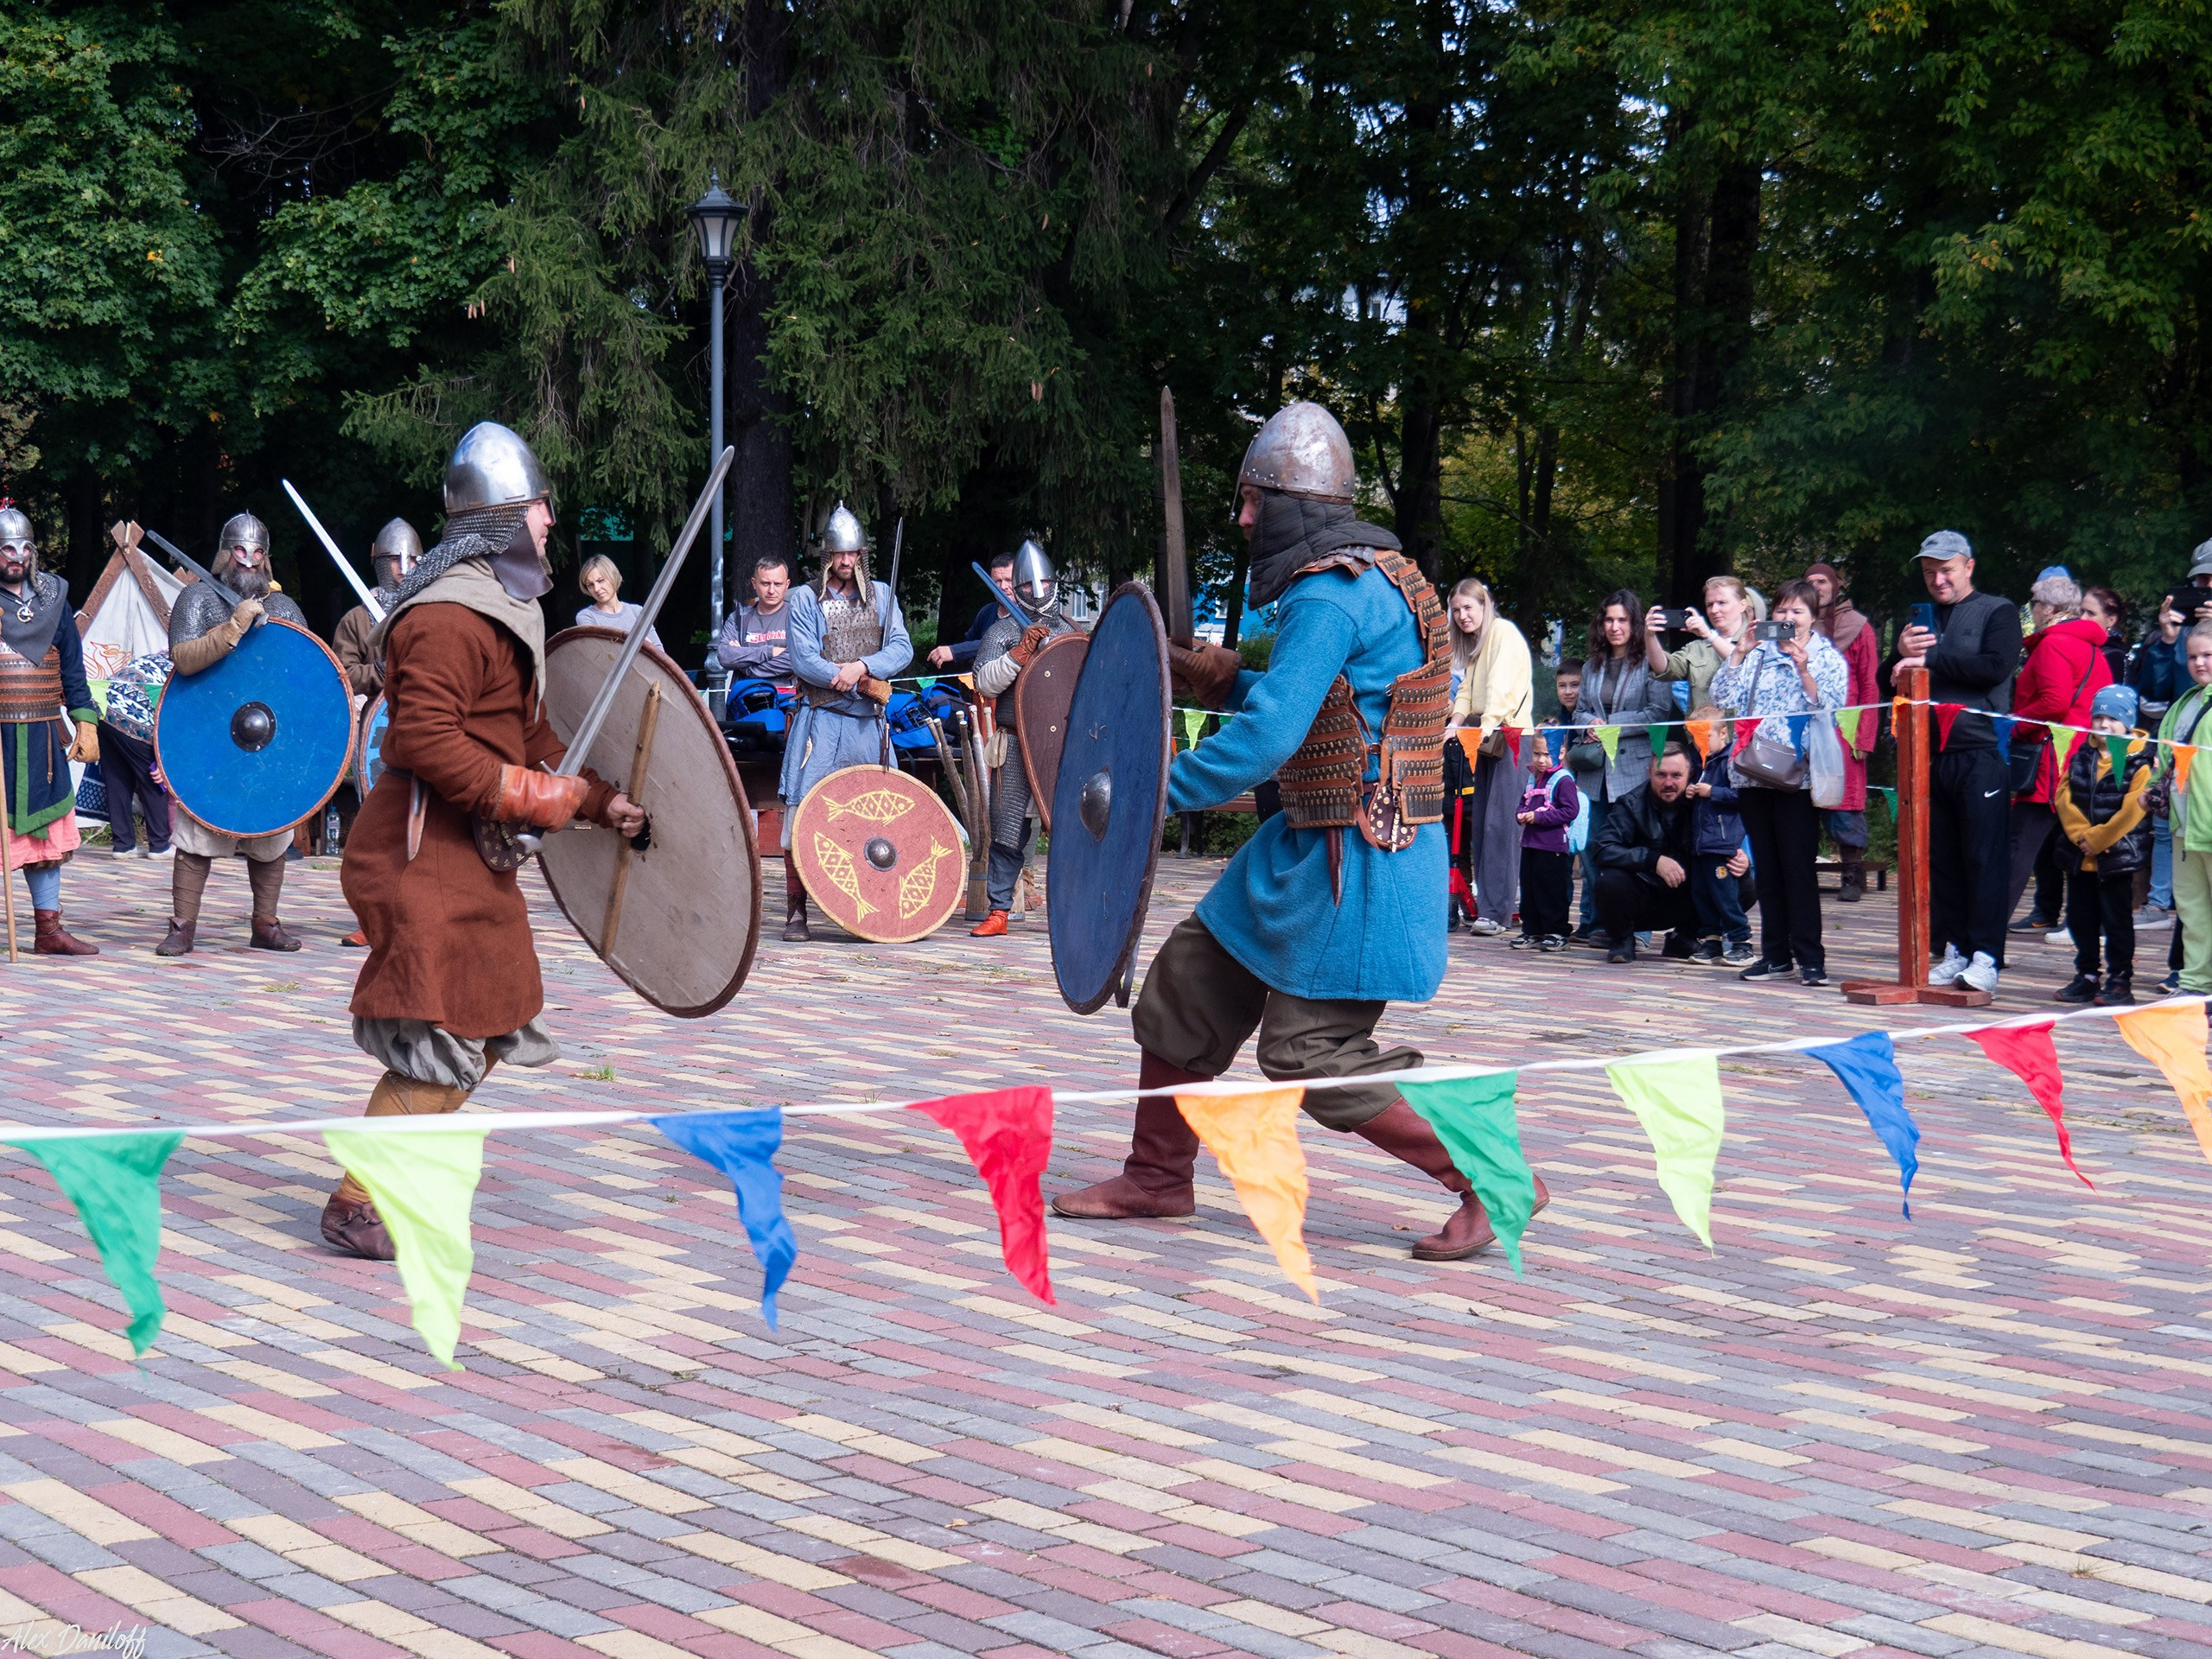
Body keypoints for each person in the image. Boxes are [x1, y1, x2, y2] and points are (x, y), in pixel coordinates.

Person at [1051, 400, 1547, 1262]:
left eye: (1253, 502)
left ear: (1293, 505)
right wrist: (1224, 677)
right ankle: (1157, 1175)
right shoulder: (1386, 575)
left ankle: (1492, 1174)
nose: (1242, 519)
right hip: (1302, 853)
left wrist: (1147, 798)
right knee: (1183, 989)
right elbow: (1330, 706)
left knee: (1311, 1057)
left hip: (1358, 862)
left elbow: (1276, 735)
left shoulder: (1331, 593)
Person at [326, 422, 645, 1258]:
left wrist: (597, 801)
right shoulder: (446, 617)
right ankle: (360, 1198)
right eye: (540, 509)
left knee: (488, 1014)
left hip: (464, 851)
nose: (550, 523)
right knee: (449, 1028)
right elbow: (421, 740)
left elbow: (527, 734)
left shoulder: (504, 610)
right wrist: (535, 795)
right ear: (504, 515)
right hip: (418, 848)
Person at [156, 512, 311, 957]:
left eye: (258, 553)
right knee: (196, 833)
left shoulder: (283, 608)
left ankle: (266, 924)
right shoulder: (198, 598)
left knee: (270, 829)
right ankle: (182, 927)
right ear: (226, 554)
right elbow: (183, 659)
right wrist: (233, 627)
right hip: (209, 733)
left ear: (267, 559)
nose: (249, 561)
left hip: (267, 732)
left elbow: (302, 674)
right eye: (240, 552)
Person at [779, 504, 913, 941]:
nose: (846, 562)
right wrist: (846, 676)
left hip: (868, 726)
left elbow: (901, 649)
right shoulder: (804, 598)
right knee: (801, 813)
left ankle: (873, 907)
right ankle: (796, 911)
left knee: (878, 816)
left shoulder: (882, 595)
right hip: (821, 723)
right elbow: (803, 658)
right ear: (827, 554)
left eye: (854, 554)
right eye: (840, 554)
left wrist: (861, 665)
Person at [1895, 531, 2019, 995]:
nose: (1938, 579)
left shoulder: (1998, 610)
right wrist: (1900, 656)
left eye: (1946, 569)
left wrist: (1931, 657)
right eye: (1929, 572)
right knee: (1941, 857)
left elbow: (1995, 666)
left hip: (1981, 750)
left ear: (1969, 566)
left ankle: (1987, 956)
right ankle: (1956, 949)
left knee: (1983, 858)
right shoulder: (1916, 619)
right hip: (1926, 752)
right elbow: (1891, 673)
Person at [1712, 580, 1847, 985]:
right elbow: (1720, 696)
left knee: (1797, 869)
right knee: (1767, 869)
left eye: (1798, 613)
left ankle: (1810, 957)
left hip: (1797, 776)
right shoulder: (1757, 653)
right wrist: (1738, 653)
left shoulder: (1827, 657)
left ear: (1813, 617)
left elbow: (1833, 707)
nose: (1788, 620)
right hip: (1752, 772)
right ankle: (1774, 955)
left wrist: (1803, 668)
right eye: (1783, 612)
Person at [0, 502, 100, 954]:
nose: (15, 556)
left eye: (22, 547)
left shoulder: (54, 598)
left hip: (42, 735)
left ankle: (48, 931)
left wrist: (85, 721)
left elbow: (74, 670)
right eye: (5, 548)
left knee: (45, 833)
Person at [969, 539, 1074, 937]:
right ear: (1018, 588)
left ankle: (1069, 911)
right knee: (1009, 828)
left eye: (1044, 581)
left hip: (1064, 745)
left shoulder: (1070, 630)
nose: (1039, 591)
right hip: (1015, 740)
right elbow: (984, 683)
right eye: (1030, 584)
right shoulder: (1003, 631)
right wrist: (1018, 655)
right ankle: (999, 912)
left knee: (1071, 828)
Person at [2005, 572, 2111, 931]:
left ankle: (1985, 928)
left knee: (2018, 847)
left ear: (2048, 608)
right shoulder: (2092, 646)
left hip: (2052, 761)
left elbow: (2054, 702)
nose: (2032, 611)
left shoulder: (2053, 644)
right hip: (2083, 757)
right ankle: (2082, 921)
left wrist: (2013, 725)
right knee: (2073, 844)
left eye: (2034, 604)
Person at [1567, 591, 1675, 940]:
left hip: (1632, 769)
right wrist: (1589, 723)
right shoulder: (1591, 665)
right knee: (1593, 848)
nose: (1615, 627)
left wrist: (1613, 724)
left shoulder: (1651, 662)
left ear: (1635, 623)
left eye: (1623, 620)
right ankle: (1599, 922)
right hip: (1594, 771)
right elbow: (1580, 709)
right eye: (1609, 620)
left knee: (1632, 848)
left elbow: (1657, 714)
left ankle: (1636, 929)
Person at [2051, 684, 2152, 1006]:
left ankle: (2120, 979)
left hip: (2115, 856)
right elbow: (2063, 795)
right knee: (2080, 917)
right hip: (2080, 856)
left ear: (2127, 722)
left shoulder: (2138, 761)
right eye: (2098, 717)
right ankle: (2087, 974)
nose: (2104, 724)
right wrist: (2081, 835)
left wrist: (2098, 839)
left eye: (2112, 718)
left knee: (2117, 920)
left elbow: (2133, 809)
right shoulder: (2083, 754)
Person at [1446, 577, 1532, 938]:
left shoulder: (1503, 633)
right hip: (1483, 735)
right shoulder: (1477, 644)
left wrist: (1484, 726)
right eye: (1456, 610)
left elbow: (1499, 688)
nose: (1463, 616)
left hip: (1507, 736)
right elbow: (1466, 689)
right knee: (1481, 824)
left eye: (1469, 607)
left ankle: (1497, 911)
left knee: (1500, 825)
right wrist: (1454, 724)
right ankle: (1488, 906)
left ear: (1485, 605)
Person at [1804, 562, 1879, 900]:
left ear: (1836, 585)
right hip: (1804, 727)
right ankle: (1800, 873)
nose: (1817, 587)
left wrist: (1864, 736)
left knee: (1845, 805)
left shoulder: (1858, 626)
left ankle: (1852, 875)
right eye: (1810, 582)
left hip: (1844, 729)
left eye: (1822, 581)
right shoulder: (1796, 627)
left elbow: (1869, 685)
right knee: (1801, 801)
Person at [1590, 747, 1705, 963]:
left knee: (1740, 879)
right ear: (1648, 772)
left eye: (1676, 775)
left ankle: (1685, 937)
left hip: (1688, 896)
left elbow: (1727, 833)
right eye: (1661, 775)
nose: (1668, 782)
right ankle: (1622, 939)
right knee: (1609, 880)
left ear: (1690, 775)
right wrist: (1652, 860)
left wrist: (1736, 853)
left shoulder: (1702, 800)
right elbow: (1602, 848)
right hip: (1642, 899)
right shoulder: (1630, 804)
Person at [2158, 622, 2212, 996]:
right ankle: (2195, 984)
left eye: (2208, 654)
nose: (2199, 662)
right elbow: (2165, 758)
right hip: (2184, 823)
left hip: (2208, 823)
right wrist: (2150, 790)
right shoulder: (2183, 703)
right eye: (2192, 656)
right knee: (2192, 911)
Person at [1682, 705, 1754, 964]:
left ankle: (1741, 941)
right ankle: (1711, 941)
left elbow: (1743, 796)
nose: (1699, 742)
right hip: (1701, 844)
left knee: (1725, 896)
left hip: (1722, 843)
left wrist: (1711, 792)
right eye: (1694, 736)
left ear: (1723, 732)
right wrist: (1692, 793)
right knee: (1702, 894)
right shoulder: (1702, 762)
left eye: (1704, 736)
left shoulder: (1731, 760)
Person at [96, 648, 173, 860]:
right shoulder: (184, 670)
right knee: (152, 777)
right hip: (132, 716)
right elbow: (170, 717)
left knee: (117, 779)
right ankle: (159, 845)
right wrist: (161, 760)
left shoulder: (158, 656)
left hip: (102, 710)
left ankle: (123, 845)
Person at [332, 518, 421, 700]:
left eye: (410, 560)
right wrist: (380, 671)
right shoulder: (356, 620)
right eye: (396, 559)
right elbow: (342, 675)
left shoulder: (430, 612)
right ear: (381, 563)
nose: (403, 568)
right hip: (377, 717)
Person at [1643, 575, 1751, 715]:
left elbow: (1746, 663)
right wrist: (1649, 636)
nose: (1714, 610)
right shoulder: (1696, 647)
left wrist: (1710, 636)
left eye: (1722, 603)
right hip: (1704, 734)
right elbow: (1663, 668)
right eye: (1709, 605)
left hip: (1745, 734)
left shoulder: (1758, 640)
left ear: (1742, 605)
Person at [1510, 736, 1579, 950]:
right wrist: (1520, 814)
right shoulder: (1532, 778)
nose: (1541, 760)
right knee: (1530, 889)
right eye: (1537, 754)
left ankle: (1557, 931)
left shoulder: (1563, 780)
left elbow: (1570, 811)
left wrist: (1538, 818)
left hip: (1553, 846)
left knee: (1551, 890)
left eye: (1547, 754)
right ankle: (1532, 929)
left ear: (1561, 752)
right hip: (1531, 844)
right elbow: (1524, 802)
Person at [927, 550, 1018, 671]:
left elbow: (1007, 643)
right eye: (997, 581)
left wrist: (955, 651)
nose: (1003, 587)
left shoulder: (1029, 615)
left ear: (1020, 579)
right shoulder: (986, 613)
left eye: (1009, 580)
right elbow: (968, 645)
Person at [714, 554, 797, 684]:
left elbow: (798, 661)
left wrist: (745, 667)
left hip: (788, 700)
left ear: (787, 585)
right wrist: (769, 652)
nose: (771, 590)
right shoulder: (738, 618)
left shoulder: (798, 617)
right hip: (744, 700)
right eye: (765, 583)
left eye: (778, 584)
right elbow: (725, 656)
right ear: (754, 583)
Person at [574, 554, 664, 648]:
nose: (596, 589)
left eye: (600, 581)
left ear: (613, 577)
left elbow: (659, 651)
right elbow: (599, 652)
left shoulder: (637, 611)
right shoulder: (587, 616)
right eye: (590, 585)